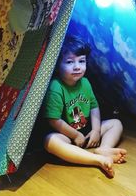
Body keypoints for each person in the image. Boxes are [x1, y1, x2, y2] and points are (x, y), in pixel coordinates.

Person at [43, 35, 127, 178]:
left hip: (86, 129)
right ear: (58, 65)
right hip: (67, 134)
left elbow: (94, 107)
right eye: (70, 62)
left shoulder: (85, 83)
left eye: (81, 61)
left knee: (116, 123)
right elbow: (54, 120)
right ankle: (97, 159)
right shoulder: (56, 87)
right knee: (50, 141)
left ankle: (104, 150)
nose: (77, 67)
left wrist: (95, 130)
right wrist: (75, 135)